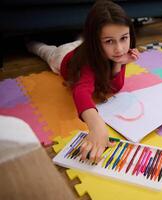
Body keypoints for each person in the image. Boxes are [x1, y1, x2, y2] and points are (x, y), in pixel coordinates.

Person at [26, 0, 140, 163]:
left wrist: (119, 63)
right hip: (63, 56)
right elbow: (80, 90)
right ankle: (30, 43)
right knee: (44, 50)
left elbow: (116, 87)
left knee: (81, 41)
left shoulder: (116, 54)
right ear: (97, 41)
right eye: (109, 41)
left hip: (85, 46)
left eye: (124, 38)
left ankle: (81, 38)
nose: (120, 49)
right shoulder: (87, 63)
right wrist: (97, 125)